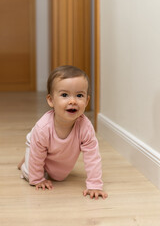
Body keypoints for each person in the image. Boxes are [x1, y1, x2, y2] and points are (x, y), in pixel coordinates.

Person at [18, 65, 108, 200]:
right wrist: (37, 179)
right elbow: (37, 159)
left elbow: (92, 157)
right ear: (51, 100)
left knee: (58, 176)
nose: (72, 101)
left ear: (87, 100)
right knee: (31, 173)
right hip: (37, 143)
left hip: (55, 152)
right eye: (64, 95)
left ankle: (28, 157)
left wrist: (94, 185)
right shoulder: (43, 128)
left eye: (79, 95)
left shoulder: (85, 127)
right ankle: (26, 160)